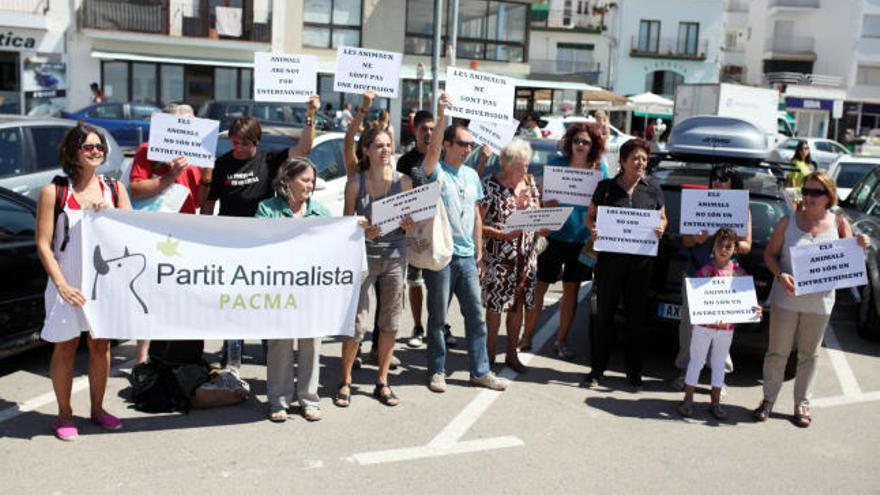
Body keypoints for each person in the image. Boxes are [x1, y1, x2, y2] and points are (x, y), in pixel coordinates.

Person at [202, 94, 319, 371]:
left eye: (244, 143)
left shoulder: (269, 161)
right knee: (234, 301)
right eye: (234, 142)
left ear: (256, 142)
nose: (238, 147)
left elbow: (304, 147)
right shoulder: (222, 164)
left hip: (265, 245)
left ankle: (272, 352)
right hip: (231, 243)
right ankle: (232, 356)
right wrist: (204, 230)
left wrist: (310, 114)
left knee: (266, 298)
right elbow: (209, 201)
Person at [35, 123, 133, 441]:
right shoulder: (55, 191)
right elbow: (43, 244)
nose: (95, 151)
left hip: (102, 284)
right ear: (73, 152)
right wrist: (61, 284)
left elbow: (134, 229)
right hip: (67, 282)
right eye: (88, 146)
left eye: (99, 147)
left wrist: (112, 215)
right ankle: (64, 414)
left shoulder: (114, 189)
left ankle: (97, 409)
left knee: (100, 345)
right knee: (65, 346)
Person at [755, 171, 870, 427]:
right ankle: (768, 400)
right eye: (805, 191)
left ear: (828, 196)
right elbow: (770, 255)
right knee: (777, 353)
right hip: (787, 299)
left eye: (815, 193)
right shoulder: (788, 222)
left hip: (819, 303)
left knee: (810, 355)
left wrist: (861, 244)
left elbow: (851, 261)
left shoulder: (840, 224)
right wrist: (780, 274)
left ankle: (802, 404)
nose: (807, 197)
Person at [418, 92, 508, 393]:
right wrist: (442, 114)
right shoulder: (435, 171)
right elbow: (430, 154)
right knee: (438, 319)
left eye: (469, 144)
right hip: (442, 256)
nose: (467, 148)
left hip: (468, 258)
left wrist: (480, 254)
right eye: (461, 143)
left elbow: (476, 217)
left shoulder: (472, 176)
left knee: (476, 318)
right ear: (446, 145)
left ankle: (480, 371)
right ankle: (437, 371)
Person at [336, 115, 413, 408]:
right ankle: (345, 381)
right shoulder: (355, 183)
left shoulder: (403, 182)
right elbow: (345, 222)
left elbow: (411, 222)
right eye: (378, 145)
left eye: (388, 145)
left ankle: (382, 381)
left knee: (390, 322)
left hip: (395, 256)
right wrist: (361, 226)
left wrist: (407, 223)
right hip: (363, 256)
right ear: (366, 150)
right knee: (357, 323)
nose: (384, 150)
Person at [585, 138, 667, 389]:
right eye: (635, 158)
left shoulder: (653, 188)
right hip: (610, 263)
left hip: (640, 265)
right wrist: (594, 230)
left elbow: (663, 218)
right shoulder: (606, 187)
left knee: (636, 320)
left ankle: (634, 373)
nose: (641, 163)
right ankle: (597, 370)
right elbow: (590, 217)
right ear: (622, 161)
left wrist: (661, 228)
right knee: (604, 318)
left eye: (644, 159)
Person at [128, 102, 206, 364]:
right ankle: (142, 355)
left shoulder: (197, 156)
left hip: (184, 234)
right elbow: (136, 190)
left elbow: (198, 200)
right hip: (155, 233)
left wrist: (207, 177)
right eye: (186, 123)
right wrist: (171, 175)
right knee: (150, 292)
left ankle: (172, 352)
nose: (191, 128)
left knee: (177, 293)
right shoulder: (148, 151)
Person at [521, 123, 608, 359]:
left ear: (594, 146)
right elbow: (542, 197)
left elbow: (605, 205)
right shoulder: (557, 165)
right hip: (554, 235)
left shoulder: (600, 169)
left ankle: (561, 341)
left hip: (582, 240)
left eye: (585, 142)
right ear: (570, 143)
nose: (580, 145)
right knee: (540, 287)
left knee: (570, 290)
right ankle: (527, 335)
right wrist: (546, 205)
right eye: (577, 140)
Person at [255, 158, 330, 422]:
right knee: (280, 345)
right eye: (304, 180)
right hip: (280, 288)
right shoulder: (267, 209)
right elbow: (261, 243)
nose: (310, 185)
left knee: (311, 343)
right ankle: (279, 400)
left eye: (312, 181)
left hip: (311, 289)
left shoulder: (321, 212)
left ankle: (309, 399)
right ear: (287, 180)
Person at [673, 165, 752, 390]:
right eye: (714, 178)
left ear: (733, 183)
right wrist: (696, 240)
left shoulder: (741, 208)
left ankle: (718, 377)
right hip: (697, 273)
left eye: (724, 179)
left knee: (722, 327)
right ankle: (685, 371)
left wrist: (732, 245)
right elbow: (685, 240)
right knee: (689, 325)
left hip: (726, 277)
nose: (718, 182)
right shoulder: (697, 202)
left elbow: (746, 245)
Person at [678, 227, 761, 420]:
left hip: (726, 328)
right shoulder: (704, 271)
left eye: (728, 247)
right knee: (696, 361)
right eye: (720, 246)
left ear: (734, 249)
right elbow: (698, 299)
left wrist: (754, 309)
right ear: (713, 247)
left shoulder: (740, 274)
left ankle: (715, 402)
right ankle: (688, 398)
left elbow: (747, 300)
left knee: (718, 364)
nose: (724, 250)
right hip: (703, 327)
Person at [394, 109, 456, 349]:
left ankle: (439, 325)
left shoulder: (443, 156)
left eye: (433, 128)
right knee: (415, 281)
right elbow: (400, 194)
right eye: (424, 129)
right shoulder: (405, 161)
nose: (429, 133)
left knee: (440, 284)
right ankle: (418, 326)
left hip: (440, 228)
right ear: (415, 130)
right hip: (413, 230)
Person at [479, 139, 542, 373]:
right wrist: (500, 233)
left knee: (517, 307)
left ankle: (512, 354)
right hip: (498, 257)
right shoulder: (490, 185)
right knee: (495, 306)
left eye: (526, 165)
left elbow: (539, 214)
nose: (524, 170)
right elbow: (477, 224)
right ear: (505, 164)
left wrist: (543, 219)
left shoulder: (530, 184)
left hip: (526, 258)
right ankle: (489, 353)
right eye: (518, 165)